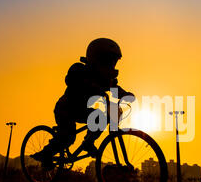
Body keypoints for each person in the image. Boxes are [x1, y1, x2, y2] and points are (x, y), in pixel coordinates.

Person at [31, 38, 134, 168]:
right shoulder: (79, 69)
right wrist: (90, 85)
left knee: (101, 116)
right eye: (108, 60)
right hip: (66, 109)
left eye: (113, 61)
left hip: (81, 110)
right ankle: (46, 155)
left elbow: (115, 89)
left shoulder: (105, 79)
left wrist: (125, 94)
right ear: (96, 58)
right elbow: (70, 80)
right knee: (67, 137)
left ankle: (88, 143)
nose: (111, 65)